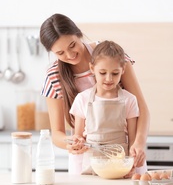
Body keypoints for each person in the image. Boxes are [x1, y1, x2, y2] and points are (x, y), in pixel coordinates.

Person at [39, 13, 150, 174]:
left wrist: (138, 143)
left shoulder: (111, 56)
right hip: (85, 159)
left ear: (79, 34)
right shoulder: (54, 76)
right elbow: (57, 133)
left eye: (72, 45)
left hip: (126, 155)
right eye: (60, 53)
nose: (70, 55)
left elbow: (142, 110)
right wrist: (70, 142)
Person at [69, 40, 147, 175]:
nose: (109, 78)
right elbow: (78, 135)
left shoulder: (129, 100)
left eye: (115, 73)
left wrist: (131, 164)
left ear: (123, 69)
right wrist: (77, 141)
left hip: (119, 168)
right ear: (92, 68)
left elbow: (133, 140)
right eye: (103, 72)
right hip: (90, 166)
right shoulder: (82, 99)